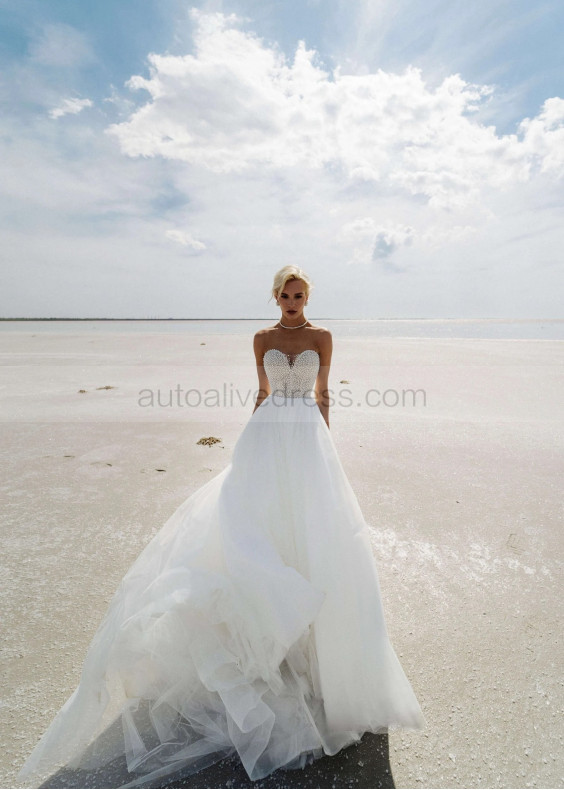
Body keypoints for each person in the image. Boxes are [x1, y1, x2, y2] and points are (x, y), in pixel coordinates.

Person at [17, 265, 425, 788]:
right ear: (275, 297)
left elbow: (323, 395)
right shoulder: (261, 338)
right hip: (268, 431)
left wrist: (327, 451)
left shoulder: (323, 336)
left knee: (318, 536)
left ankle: (319, 656)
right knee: (251, 528)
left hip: (307, 438)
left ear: (307, 297)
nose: (292, 302)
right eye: (285, 294)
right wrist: (249, 441)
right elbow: (262, 390)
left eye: (300, 295)